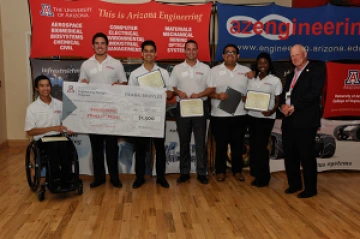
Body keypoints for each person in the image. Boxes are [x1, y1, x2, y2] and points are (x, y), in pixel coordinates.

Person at [78, 32, 127, 188]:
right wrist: (83, 85)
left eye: (102, 43)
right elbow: (80, 86)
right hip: (94, 112)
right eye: (97, 43)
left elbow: (125, 84)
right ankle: (99, 178)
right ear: (93, 46)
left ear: (107, 45)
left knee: (112, 147)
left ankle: (114, 178)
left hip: (111, 112)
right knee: (96, 147)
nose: (100, 46)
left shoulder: (116, 63)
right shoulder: (86, 64)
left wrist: (120, 86)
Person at [280, 44, 325, 198]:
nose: (294, 58)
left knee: (306, 156)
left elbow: (314, 92)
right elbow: (285, 94)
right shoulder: (291, 75)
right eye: (292, 56)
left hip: (306, 121)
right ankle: (294, 184)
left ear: (305, 54)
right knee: (290, 154)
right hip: (289, 121)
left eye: (297, 55)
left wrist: (294, 106)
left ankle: (310, 189)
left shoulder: (316, 69)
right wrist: (283, 106)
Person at [169, 40, 216, 184]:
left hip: (199, 107)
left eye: (193, 49)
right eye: (188, 49)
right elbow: (171, 87)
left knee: (200, 141)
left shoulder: (205, 68)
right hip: (182, 108)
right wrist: (178, 91)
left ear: (197, 51)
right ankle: (184, 172)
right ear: (184, 51)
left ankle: (202, 172)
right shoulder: (177, 68)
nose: (191, 51)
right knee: (184, 141)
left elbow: (212, 88)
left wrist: (200, 93)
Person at [128, 40, 173, 188]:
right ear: (141, 54)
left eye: (151, 51)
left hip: (158, 115)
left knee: (160, 148)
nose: (148, 53)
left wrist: (167, 93)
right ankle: (139, 177)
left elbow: (171, 92)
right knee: (140, 148)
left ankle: (161, 177)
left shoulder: (164, 73)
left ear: (155, 54)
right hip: (141, 116)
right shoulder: (135, 74)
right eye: (146, 51)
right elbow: (130, 94)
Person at [24, 75, 73, 188]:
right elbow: (30, 132)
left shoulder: (59, 104)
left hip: (59, 137)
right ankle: (53, 180)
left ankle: (66, 180)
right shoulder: (32, 108)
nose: (45, 88)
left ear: (50, 87)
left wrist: (69, 129)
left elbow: (66, 123)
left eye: (47, 85)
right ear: (36, 88)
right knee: (54, 150)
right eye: (42, 86)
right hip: (42, 140)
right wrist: (52, 128)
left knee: (68, 148)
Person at [209, 44, 249, 182]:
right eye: (227, 52)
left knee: (238, 145)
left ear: (238, 56)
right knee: (221, 145)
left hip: (240, 114)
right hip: (219, 115)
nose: (230, 54)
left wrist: (248, 97)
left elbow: (252, 91)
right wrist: (217, 95)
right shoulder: (213, 71)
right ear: (223, 56)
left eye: (233, 52)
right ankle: (220, 171)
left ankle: (237, 171)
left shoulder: (246, 71)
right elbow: (208, 92)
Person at [246, 52, 282, 187]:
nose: (262, 65)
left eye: (265, 63)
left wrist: (271, 111)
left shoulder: (275, 80)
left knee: (261, 147)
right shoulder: (252, 79)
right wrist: (246, 99)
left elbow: (278, 100)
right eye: (260, 63)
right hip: (252, 116)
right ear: (257, 64)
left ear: (269, 64)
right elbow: (247, 95)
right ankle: (255, 172)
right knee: (254, 146)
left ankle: (264, 177)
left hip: (266, 118)